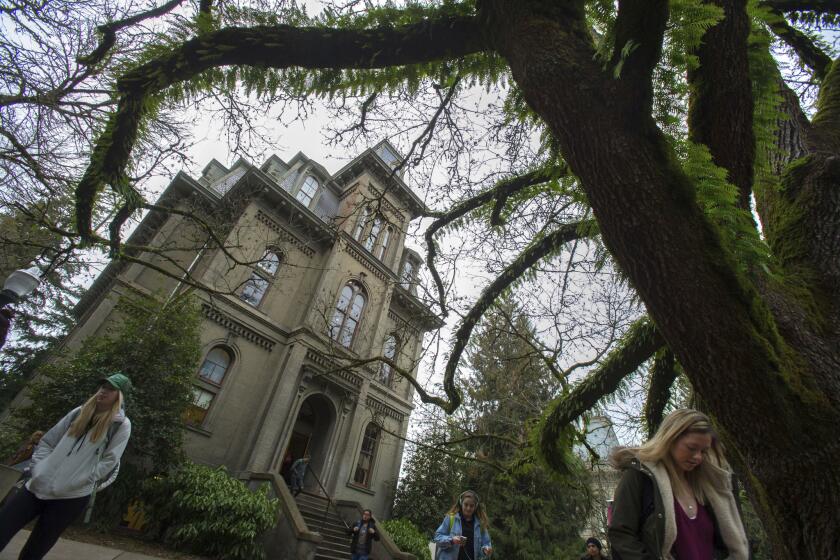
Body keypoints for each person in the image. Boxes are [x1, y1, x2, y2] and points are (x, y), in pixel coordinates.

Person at [0, 373, 132, 560]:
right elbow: (47, 442)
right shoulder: (79, 412)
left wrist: (78, 481)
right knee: (3, 526)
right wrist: (39, 469)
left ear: (119, 396)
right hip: (37, 486)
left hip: (70, 497)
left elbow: (110, 461)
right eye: (102, 386)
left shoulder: (121, 425)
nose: (104, 391)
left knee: (35, 549)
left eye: (111, 389)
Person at [608, 408, 749, 560]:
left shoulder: (711, 485)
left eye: (704, 451)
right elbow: (621, 535)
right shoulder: (639, 477)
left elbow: (725, 544)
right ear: (670, 439)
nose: (698, 457)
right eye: (691, 448)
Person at [433, 489, 493, 560]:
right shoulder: (451, 518)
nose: (468, 508)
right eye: (466, 504)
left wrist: (485, 550)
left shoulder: (480, 524)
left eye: (471, 506)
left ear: (475, 506)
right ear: (461, 503)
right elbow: (437, 537)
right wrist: (452, 540)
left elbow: (486, 544)